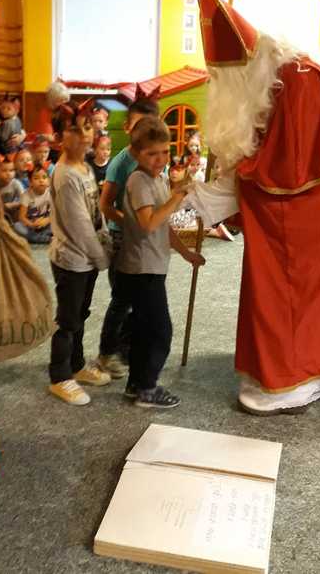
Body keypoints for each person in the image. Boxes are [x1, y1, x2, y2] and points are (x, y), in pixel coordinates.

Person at [191, 0, 320, 416]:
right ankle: (305, 367)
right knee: (300, 281)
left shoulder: (299, 79)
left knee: (293, 277)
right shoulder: (274, 77)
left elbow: (287, 173)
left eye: (228, 76)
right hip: (317, 191)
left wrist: (224, 190)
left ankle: (297, 375)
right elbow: (275, 152)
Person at [116, 116, 205, 408]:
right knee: (160, 331)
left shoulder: (158, 179)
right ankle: (148, 388)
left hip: (152, 266)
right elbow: (149, 223)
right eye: (152, 153)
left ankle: (136, 383)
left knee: (144, 329)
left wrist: (186, 253)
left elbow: (163, 227)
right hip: (141, 269)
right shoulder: (139, 181)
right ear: (135, 153)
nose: (160, 159)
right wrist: (176, 198)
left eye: (165, 152)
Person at [97, 92, 160, 379]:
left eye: (150, 125)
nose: (144, 132)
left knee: (142, 300)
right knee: (122, 299)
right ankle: (107, 352)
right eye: (138, 126)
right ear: (127, 128)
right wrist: (132, 223)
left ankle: (127, 349)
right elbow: (105, 206)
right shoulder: (121, 163)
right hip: (123, 239)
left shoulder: (153, 159)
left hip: (145, 239)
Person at [48, 125, 111, 405]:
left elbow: (95, 212)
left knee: (81, 313)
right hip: (71, 259)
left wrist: (104, 241)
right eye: (75, 129)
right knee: (67, 319)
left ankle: (76, 364)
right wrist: (101, 256)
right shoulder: (65, 174)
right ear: (60, 138)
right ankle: (59, 375)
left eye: (87, 127)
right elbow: (79, 225)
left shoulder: (84, 167)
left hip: (88, 259)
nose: (85, 135)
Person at [14, 165, 52, 244]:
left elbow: (55, 213)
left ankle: (38, 237)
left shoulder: (50, 193)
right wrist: (32, 224)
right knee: (17, 226)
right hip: (30, 225)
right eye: (36, 178)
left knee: (58, 223)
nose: (41, 180)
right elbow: (21, 217)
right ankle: (45, 238)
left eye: (44, 177)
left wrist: (46, 220)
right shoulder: (26, 195)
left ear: (49, 180)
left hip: (45, 222)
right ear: (30, 182)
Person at [0, 155, 24, 223]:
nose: (8, 174)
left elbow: (25, 199)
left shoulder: (16, 183)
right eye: (4, 170)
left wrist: (13, 204)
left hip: (11, 211)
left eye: (11, 170)